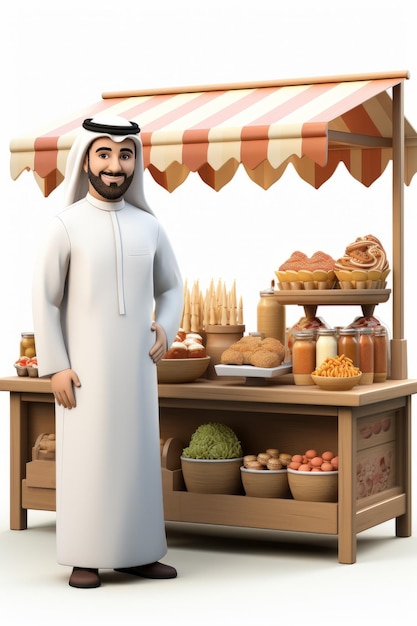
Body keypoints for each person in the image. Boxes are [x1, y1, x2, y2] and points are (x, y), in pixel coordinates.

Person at [32, 115, 184, 589]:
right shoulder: (65, 226)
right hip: (85, 376)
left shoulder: (149, 227)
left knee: (137, 459)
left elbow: (173, 285)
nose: (115, 165)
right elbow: (44, 297)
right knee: (89, 459)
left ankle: (137, 553)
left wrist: (168, 327)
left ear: (136, 162)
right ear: (86, 160)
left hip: (138, 372)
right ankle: (85, 554)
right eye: (105, 153)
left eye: (125, 154)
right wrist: (56, 366)